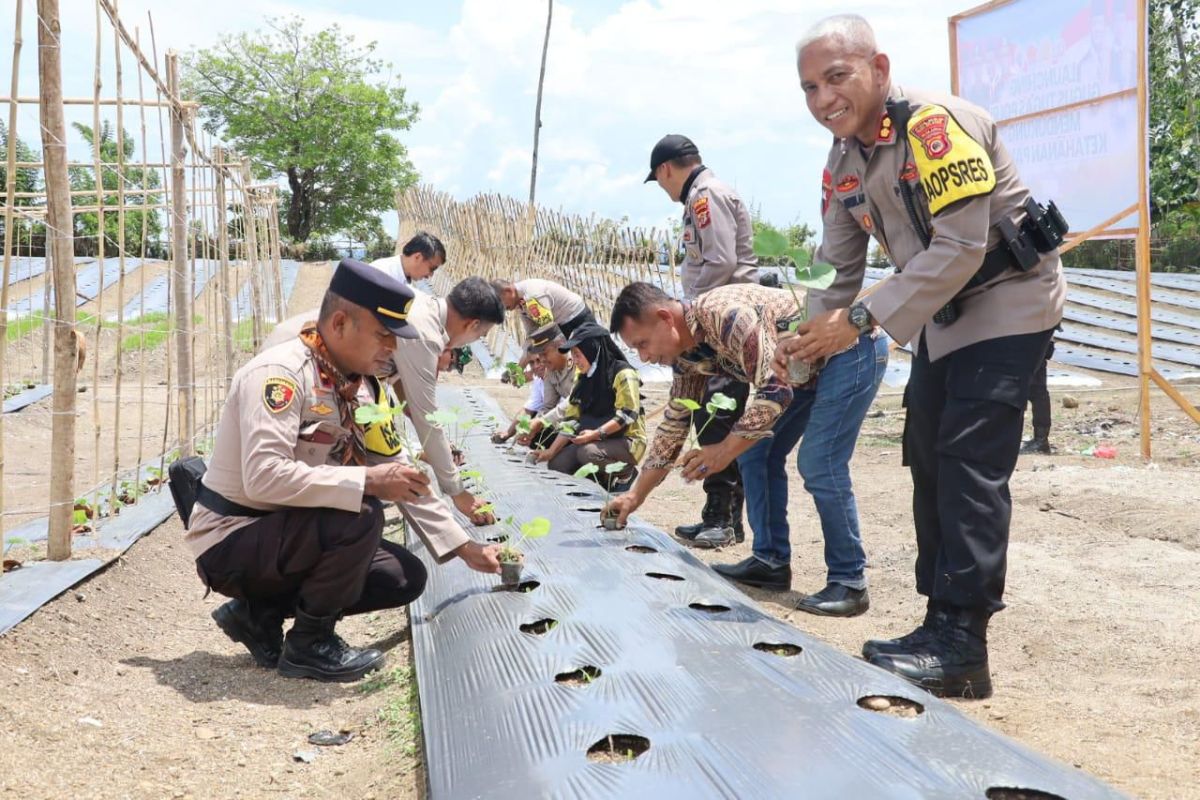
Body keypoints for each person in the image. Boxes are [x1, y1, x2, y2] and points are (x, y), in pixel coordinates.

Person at [780, 15, 1066, 698]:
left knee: (968, 467)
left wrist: (858, 320)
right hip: (942, 319)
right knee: (928, 461)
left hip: (1009, 303)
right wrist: (803, 339)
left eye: (836, 77)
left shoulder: (935, 128)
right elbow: (834, 266)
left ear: (878, 68)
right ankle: (938, 624)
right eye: (809, 87)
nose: (824, 99)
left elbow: (964, 247)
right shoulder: (843, 163)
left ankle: (965, 650)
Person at [186, 259, 500, 683]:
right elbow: (264, 476)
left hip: (286, 534)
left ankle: (258, 615)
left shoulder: (360, 385)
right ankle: (308, 645)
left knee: (402, 577)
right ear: (338, 324)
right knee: (360, 512)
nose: (392, 347)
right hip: (235, 536)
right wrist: (367, 481)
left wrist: (466, 549)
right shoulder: (280, 376)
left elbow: (397, 469)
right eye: (383, 335)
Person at [268, 277, 505, 526]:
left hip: (313, 355)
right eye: (481, 335)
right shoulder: (427, 335)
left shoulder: (427, 310)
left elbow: (409, 394)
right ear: (473, 325)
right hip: (302, 358)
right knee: (298, 460)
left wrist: (434, 441)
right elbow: (427, 416)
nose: (391, 343)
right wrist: (458, 492)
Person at [645, 134, 760, 548]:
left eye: (660, 182)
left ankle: (725, 520)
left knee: (719, 416)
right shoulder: (701, 195)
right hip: (712, 326)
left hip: (724, 328)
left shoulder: (704, 196)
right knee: (708, 415)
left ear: (666, 169)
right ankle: (719, 512)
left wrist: (691, 313)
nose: (664, 190)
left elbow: (722, 262)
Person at [533, 322, 645, 489]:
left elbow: (627, 416)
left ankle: (625, 472)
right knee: (558, 464)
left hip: (625, 440)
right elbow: (572, 419)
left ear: (592, 349)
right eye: (573, 355)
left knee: (587, 453)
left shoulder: (623, 374)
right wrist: (551, 452)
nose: (575, 361)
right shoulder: (584, 378)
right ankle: (600, 481)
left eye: (578, 355)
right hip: (596, 439)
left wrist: (595, 434)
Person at [516, 324, 580, 450]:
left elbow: (573, 401)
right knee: (536, 438)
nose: (543, 360)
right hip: (569, 419)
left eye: (545, 354)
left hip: (586, 419)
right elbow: (548, 406)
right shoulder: (551, 370)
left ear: (561, 346)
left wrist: (540, 422)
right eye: (540, 356)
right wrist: (531, 427)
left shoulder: (578, 363)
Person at [492, 278, 596, 339]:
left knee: (593, 359)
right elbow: (532, 332)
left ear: (508, 291)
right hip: (562, 323)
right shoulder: (519, 302)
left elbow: (549, 329)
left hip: (576, 318)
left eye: (500, 302)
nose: (502, 308)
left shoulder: (532, 296)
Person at [1020, 336, 1056, 454]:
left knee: (1037, 392)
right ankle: (1040, 439)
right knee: (1035, 391)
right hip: (1036, 340)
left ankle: (1041, 440)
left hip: (1035, 340)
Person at [370, 231, 446, 285]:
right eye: (432, 268)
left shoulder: (403, 279)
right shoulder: (381, 274)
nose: (431, 275)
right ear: (418, 257)